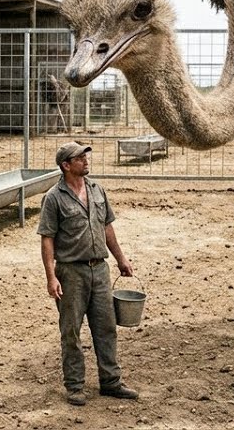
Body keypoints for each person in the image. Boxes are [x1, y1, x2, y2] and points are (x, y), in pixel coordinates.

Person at [38, 141, 139, 406]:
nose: (86, 160)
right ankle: (74, 386)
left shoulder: (97, 190)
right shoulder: (53, 198)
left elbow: (107, 228)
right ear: (65, 165)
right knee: (71, 330)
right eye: (79, 158)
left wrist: (121, 259)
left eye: (85, 156)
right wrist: (51, 277)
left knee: (106, 327)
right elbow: (47, 239)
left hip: (100, 270)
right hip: (72, 272)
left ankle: (111, 381)